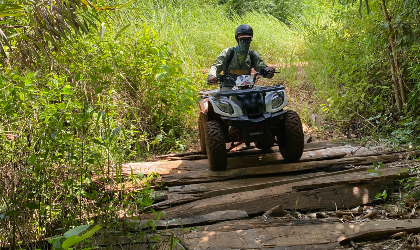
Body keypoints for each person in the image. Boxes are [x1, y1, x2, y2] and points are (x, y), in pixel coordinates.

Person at [207, 24, 275, 90]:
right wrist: (212, 76)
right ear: (237, 39)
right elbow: (216, 66)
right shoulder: (228, 53)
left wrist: (268, 70)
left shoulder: (252, 54)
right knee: (223, 100)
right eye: (242, 40)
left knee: (259, 98)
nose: (245, 42)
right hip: (229, 87)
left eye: (248, 40)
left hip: (246, 88)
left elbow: (262, 67)